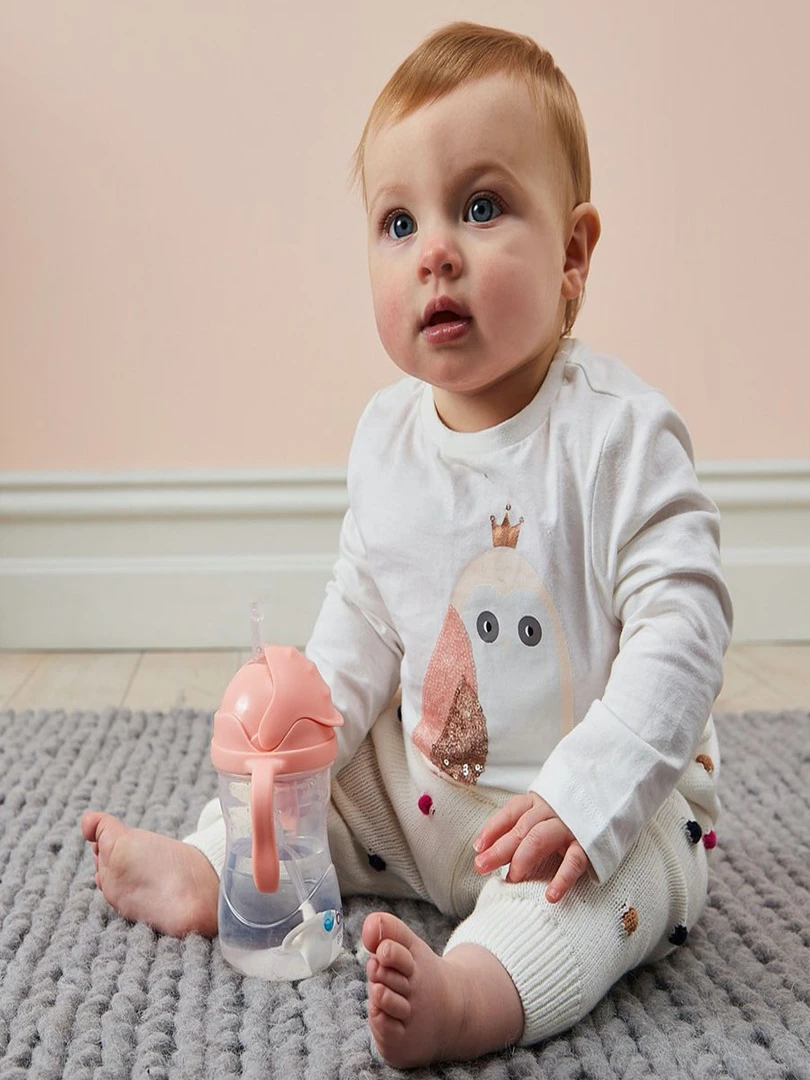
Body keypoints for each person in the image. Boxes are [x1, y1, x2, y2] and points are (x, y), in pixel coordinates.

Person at [81, 21, 732, 1069]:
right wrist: (300, 736)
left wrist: (592, 789)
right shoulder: (387, 441)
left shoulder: (616, 435)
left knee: (615, 886)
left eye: (480, 208)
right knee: (313, 796)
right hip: (427, 791)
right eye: (397, 221)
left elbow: (686, 626)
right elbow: (364, 622)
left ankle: (474, 994)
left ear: (572, 254)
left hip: (586, 809)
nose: (434, 249)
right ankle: (216, 871)